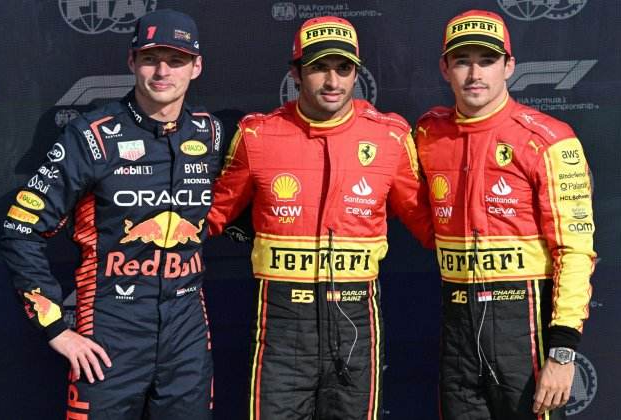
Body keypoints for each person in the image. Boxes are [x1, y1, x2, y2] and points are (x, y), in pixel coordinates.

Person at [0, 9, 225, 419]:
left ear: (196, 67)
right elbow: (20, 230)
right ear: (131, 62)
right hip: (109, 336)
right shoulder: (91, 136)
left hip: (187, 337)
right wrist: (55, 329)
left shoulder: (210, 133)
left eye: (175, 60)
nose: (162, 72)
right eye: (150, 58)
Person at [206, 15, 433, 420]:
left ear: (357, 73)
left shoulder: (390, 136)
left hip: (356, 327)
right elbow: (211, 216)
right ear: (295, 73)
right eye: (319, 68)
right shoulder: (257, 135)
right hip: (280, 326)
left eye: (344, 69)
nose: (333, 82)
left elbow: (431, 224)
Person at [415, 9, 596, 419]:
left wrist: (563, 351)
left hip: (525, 329)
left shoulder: (551, 140)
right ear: (445, 68)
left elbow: (576, 251)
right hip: (457, 326)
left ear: (509, 66)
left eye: (488, 60)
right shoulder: (427, 134)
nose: (475, 73)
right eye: (462, 61)